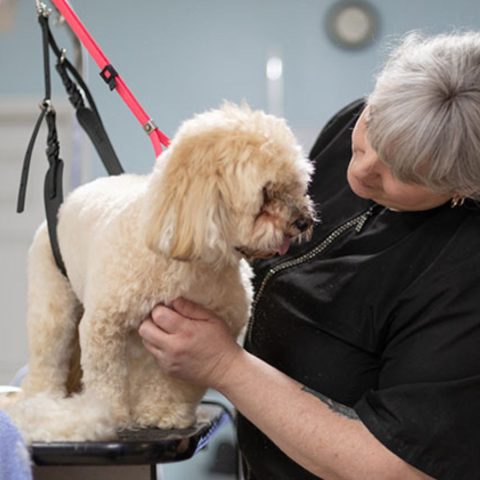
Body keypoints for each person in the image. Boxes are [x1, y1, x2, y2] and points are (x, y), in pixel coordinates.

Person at [138, 32, 480, 480]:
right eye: (372, 128)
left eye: (402, 171)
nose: (361, 168)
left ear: (461, 187)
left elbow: (398, 467)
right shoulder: (348, 128)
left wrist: (223, 365)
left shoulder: (464, 272)